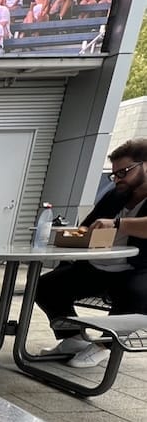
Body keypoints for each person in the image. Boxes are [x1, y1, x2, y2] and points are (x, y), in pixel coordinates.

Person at [35, 140, 147, 369]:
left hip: (136, 270)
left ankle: (104, 346)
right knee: (44, 286)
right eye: (114, 174)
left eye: (124, 172)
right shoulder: (116, 195)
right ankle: (73, 338)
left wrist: (118, 224)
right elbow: (87, 227)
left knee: (137, 295)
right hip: (97, 268)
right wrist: (67, 236)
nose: (118, 179)